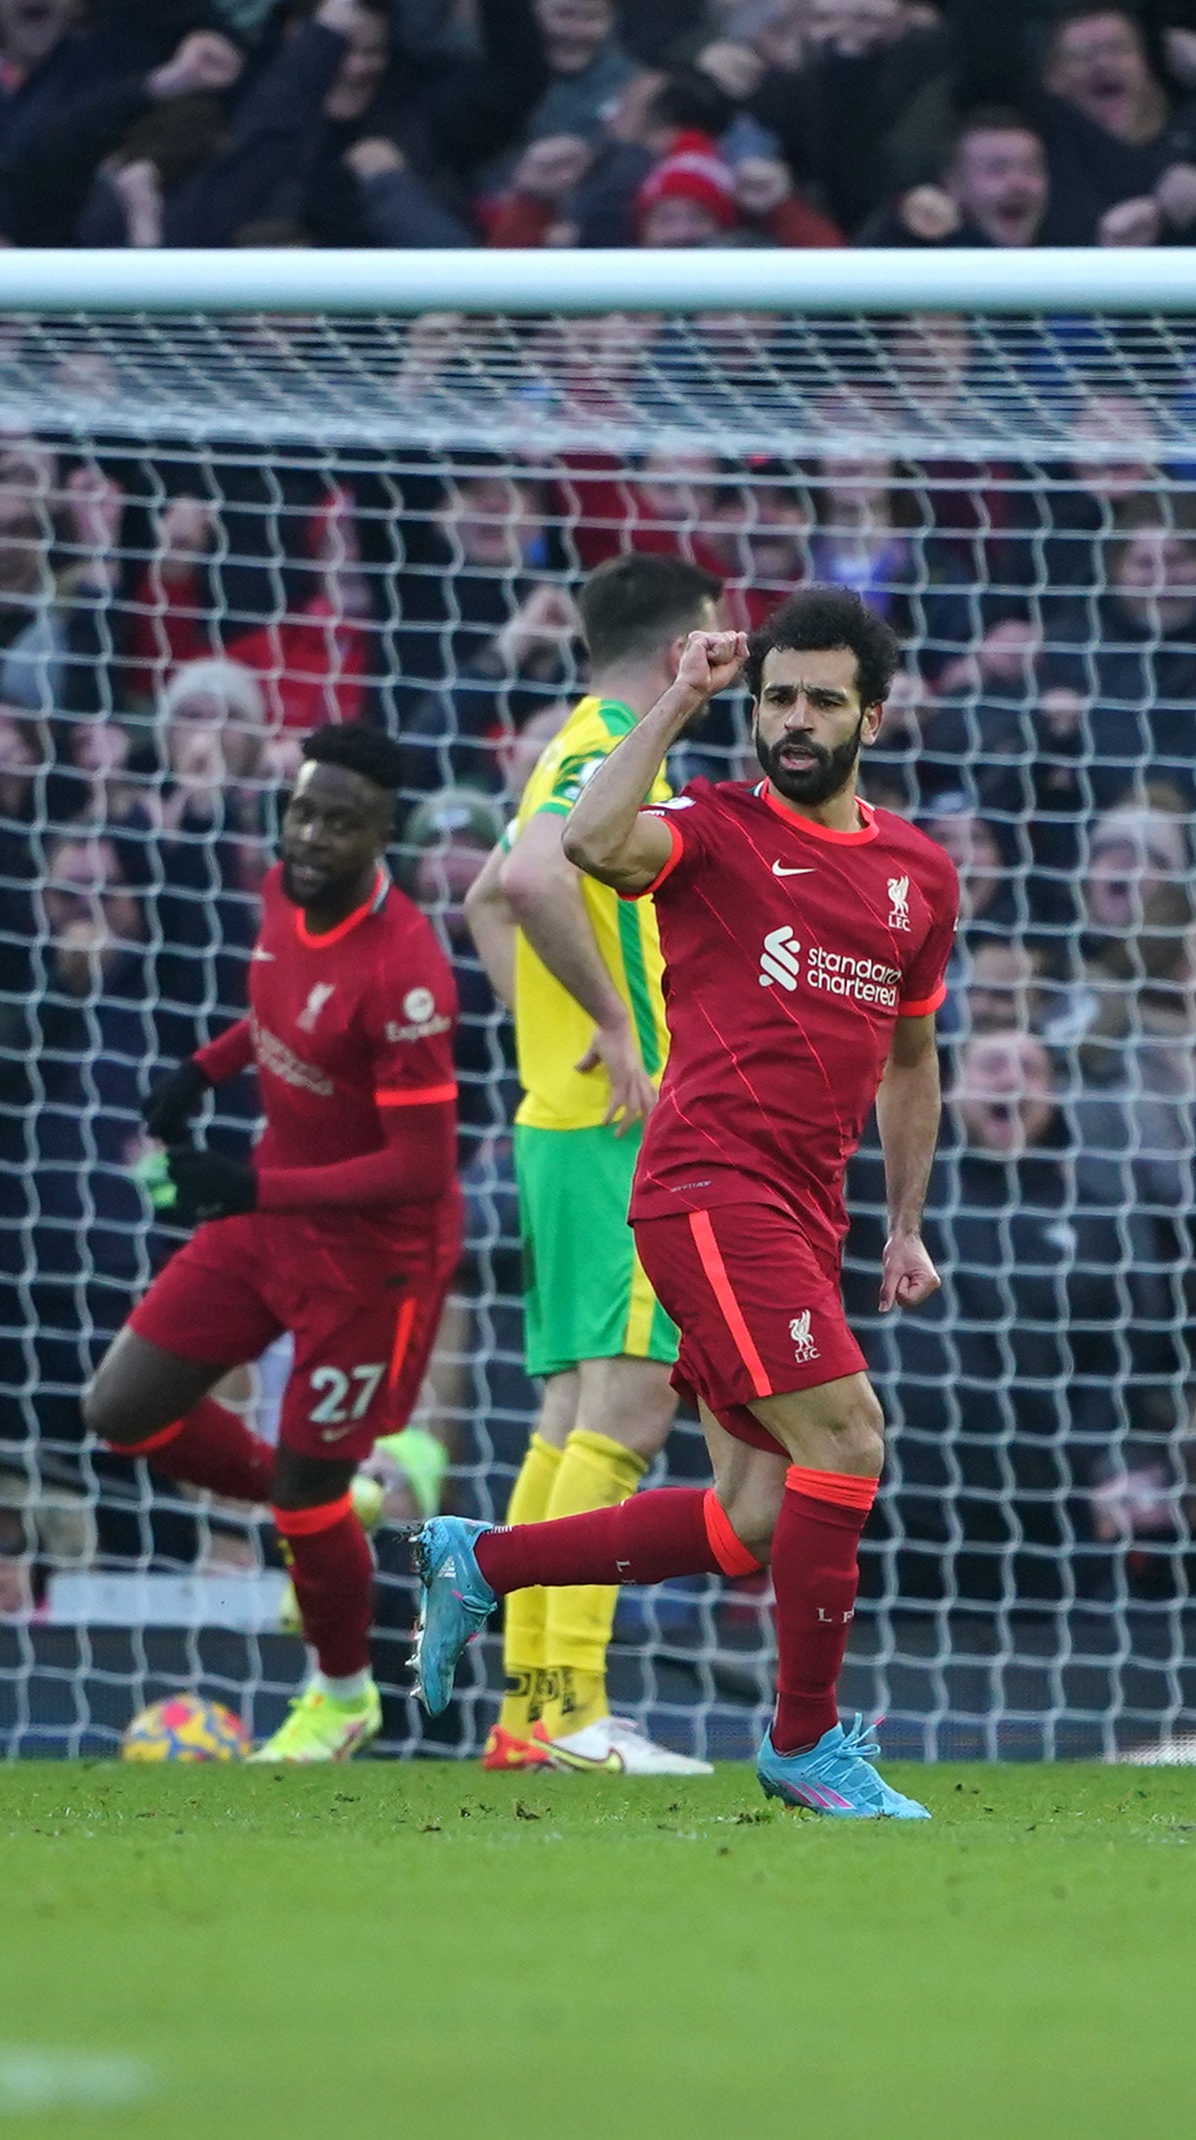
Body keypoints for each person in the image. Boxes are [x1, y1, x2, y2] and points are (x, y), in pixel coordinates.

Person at [413, 590, 961, 1821]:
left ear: (874, 715)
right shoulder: (708, 829)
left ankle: (480, 1561)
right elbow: (582, 845)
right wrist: (683, 696)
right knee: (852, 1440)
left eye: (823, 699)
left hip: (804, 1216)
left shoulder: (918, 876)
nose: (797, 721)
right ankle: (806, 1742)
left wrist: (905, 1223)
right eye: (777, 699)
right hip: (707, 1188)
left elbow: (913, 1058)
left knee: (752, 1516)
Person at [78, 722, 464, 1765]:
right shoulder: (279, 894)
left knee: (302, 1491)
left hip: (372, 1264)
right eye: (303, 811)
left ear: (384, 836)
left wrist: (245, 1179)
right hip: (273, 1222)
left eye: (342, 823)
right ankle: (339, 1497)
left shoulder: (409, 971)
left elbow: (422, 1169)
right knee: (122, 1408)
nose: (312, 836)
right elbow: (282, 1011)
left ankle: (342, 1698)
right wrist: (202, 1071)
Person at [456, 551, 721, 1777]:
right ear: (684, 647)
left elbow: (482, 903)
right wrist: (613, 1030)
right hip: (618, 1130)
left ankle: (529, 1712)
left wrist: (549, 1039)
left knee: (569, 1416)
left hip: (562, 1121)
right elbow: (520, 879)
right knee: (624, 1411)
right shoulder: (618, 744)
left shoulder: (575, 734)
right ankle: (574, 1715)